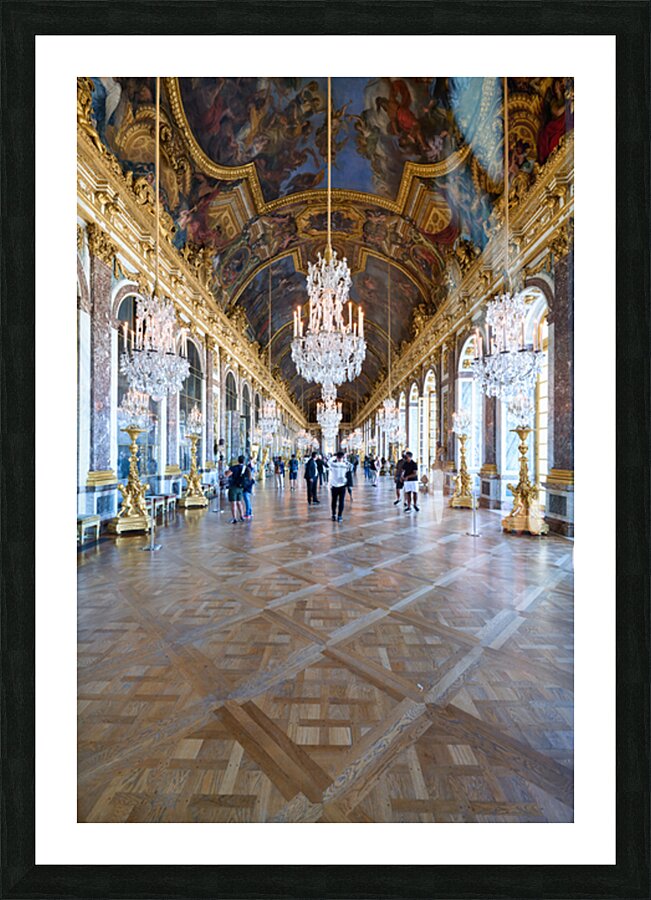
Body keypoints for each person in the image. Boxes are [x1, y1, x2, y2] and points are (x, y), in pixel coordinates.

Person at [329, 450, 350, 522]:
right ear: (343, 457)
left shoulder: (333, 464)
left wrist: (333, 456)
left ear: (336, 457)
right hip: (342, 485)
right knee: (341, 501)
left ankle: (334, 514)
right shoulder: (346, 465)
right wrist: (345, 459)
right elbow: (351, 468)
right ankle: (339, 516)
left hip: (334, 485)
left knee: (334, 501)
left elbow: (328, 462)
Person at [225, 455, 246, 523]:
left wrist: (226, 472)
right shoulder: (245, 468)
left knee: (233, 503)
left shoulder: (234, 468)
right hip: (240, 487)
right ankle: (242, 516)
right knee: (239, 502)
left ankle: (234, 518)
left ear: (238, 460)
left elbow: (227, 474)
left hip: (233, 487)